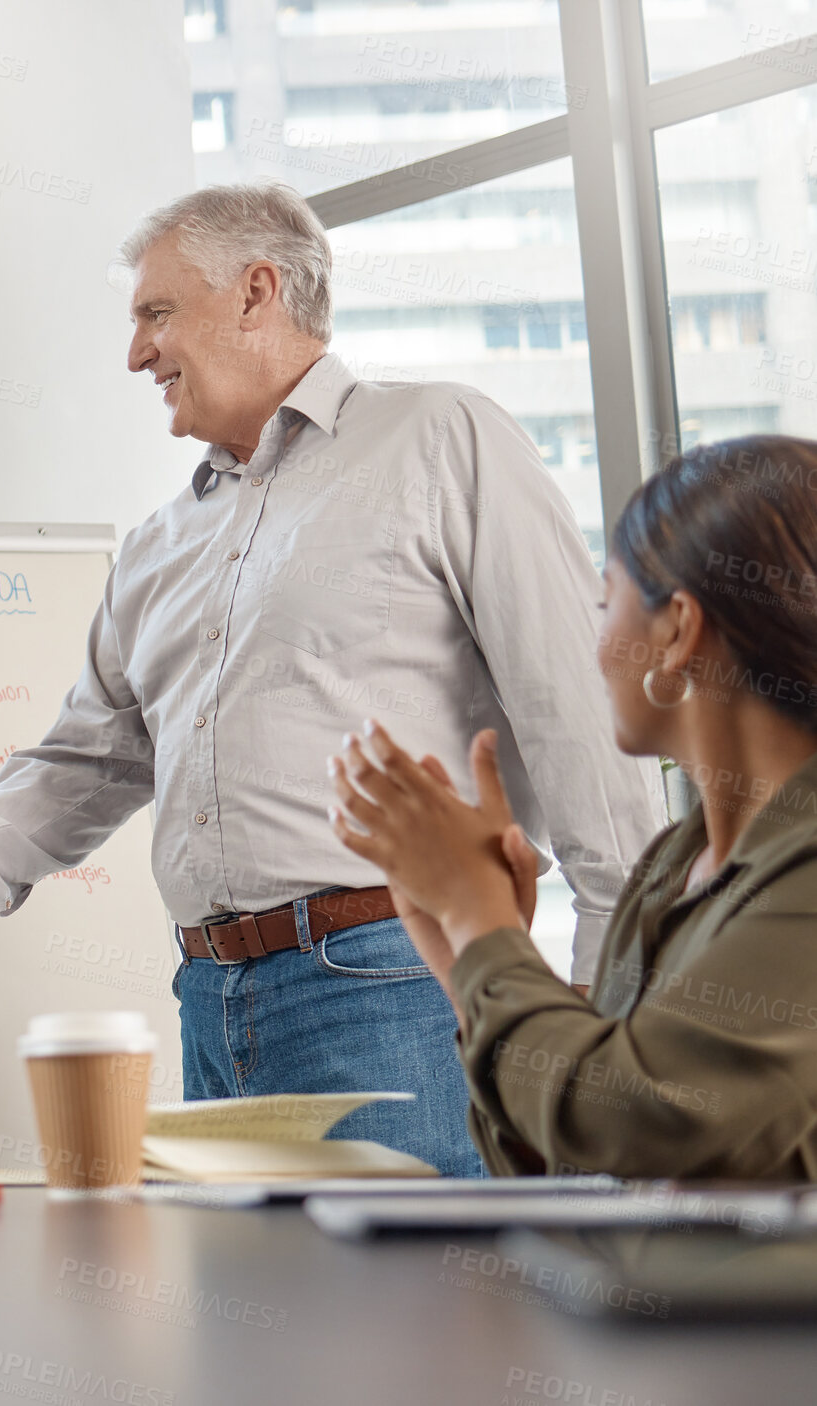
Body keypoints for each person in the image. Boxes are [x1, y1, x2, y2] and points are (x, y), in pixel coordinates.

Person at [0, 183, 664, 1178]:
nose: (135, 354)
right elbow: (85, 761)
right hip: (210, 1006)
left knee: (418, 1323)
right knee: (260, 1333)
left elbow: (577, 722)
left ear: (256, 290)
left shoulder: (440, 438)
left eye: (154, 313)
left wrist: (607, 1042)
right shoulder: (158, 545)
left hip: (394, 985)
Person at [327, 434, 817, 1179]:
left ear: (677, 629)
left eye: (605, 600)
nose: (594, 642)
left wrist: (480, 922)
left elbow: (644, 1124)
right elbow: (573, 1154)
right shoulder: (671, 866)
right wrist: (470, 962)